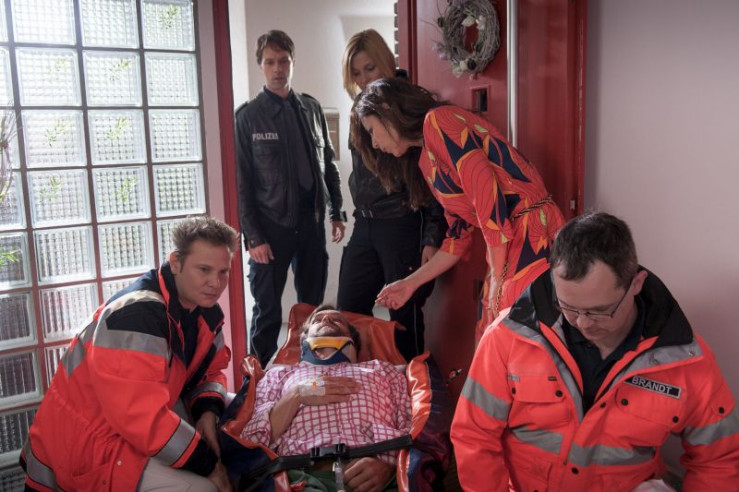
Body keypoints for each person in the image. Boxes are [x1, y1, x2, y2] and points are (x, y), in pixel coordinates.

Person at [451, 212, 739, 491]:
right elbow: (474, 435)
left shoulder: (684, 358)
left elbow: (720, 460)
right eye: (568, 307)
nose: (583, 323)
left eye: (600, 311)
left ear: (636, 284)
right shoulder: (507, 337)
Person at [21, 216, 239, 492]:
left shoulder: (204, 311)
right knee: (205, 488)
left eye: (223, 272)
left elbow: (210, 371)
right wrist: (208, 465)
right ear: (175, 262)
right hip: (84, 446)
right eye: (204, 269)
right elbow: (141, 416)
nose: (215, 283)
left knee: (231, 415)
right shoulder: (136, 316)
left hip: (126, 428)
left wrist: (207, 412)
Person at [351, 78, 565, 340]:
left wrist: (498, 277)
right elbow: (457, 237)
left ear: (386, 109)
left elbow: (487, 197)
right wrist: (410, 283)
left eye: (372, 130)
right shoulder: (426, 162)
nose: (374, 143)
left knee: (509, 336)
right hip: (509, 243)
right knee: (496, 336)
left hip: (532, 232)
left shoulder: (439, 121)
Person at [235, 30, 346, 368]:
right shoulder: (248, 116)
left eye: (283, 61)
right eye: (270, 62)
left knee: (311, 308)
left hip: (311, 223)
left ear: (293, 62)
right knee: (268, 312)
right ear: (261, 65)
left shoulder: (311, 108)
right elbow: (241, 183)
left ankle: (309, 371)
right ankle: (254, 383)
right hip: (270, 228)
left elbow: (328, 164)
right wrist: (253, 237)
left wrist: (336, 211)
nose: (278, 68)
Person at [337, 29, 445, 360]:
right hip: (365, 223)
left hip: (403, 223)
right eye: (356, 73)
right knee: (348, 310)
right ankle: (364, 380)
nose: (364, 79)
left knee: (404, 316)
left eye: (370, 68)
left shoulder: (411, 103)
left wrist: (432, 237)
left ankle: (413, 385)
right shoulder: (360, 108)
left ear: (386, 60)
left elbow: (435, 180)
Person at [240, 305, 411, 491]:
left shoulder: (384, 370)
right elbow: (252, 442)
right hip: (300, 479)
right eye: (317, 320)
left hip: (377, 480)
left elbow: (412, 427)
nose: (327, 319)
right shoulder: (277, 375)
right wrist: (297, 394)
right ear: (304, 339)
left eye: (337, 319)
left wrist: (390, 467)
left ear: (353, 340)